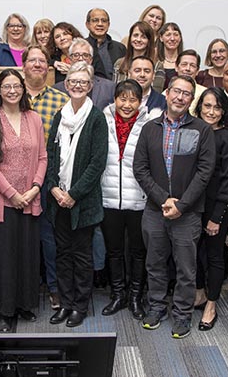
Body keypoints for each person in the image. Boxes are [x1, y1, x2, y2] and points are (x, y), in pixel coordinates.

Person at [133, 75, 215, 339]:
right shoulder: (149, 128)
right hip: (155, 211)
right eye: (176, 91)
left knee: (186, 269)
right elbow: (140, 168)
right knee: (155, 264)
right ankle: (156, 308)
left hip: (188, 213)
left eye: (187, 94)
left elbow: (205, 172)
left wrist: (182, 204)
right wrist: (162, 199)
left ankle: (181, 314)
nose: (180, 97)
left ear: (192, 99)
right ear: (166, 93)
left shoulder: (202, 130)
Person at [0, 69, 47, 334]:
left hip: (30, 198)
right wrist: (11, 193)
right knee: (4, 258)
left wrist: (34, 188)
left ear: (23, 88)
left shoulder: (34, 118)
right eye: (6, 86)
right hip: (2, 201)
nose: (12, 91)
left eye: (16, 86)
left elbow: (42, 157)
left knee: (28, 255)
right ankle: (5, 311)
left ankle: (25, 305)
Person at [45, 62, 108, 328]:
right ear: (67, 84)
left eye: (84, 82)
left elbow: (97, 163)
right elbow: (50, 155)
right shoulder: (60, 116)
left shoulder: (96, 118)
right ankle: (65, 303)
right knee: (62, 254)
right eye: (74, 81)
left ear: (91, 86)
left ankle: (79, 306)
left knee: (82, 257)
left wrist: (73, 194)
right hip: (58, 201)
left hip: (83, 202)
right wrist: (54, 188)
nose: (78, 85)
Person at [100, 80, 158, 320]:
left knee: (138, 251)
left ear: (140, 101)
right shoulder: (103, 121)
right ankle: (117, 294)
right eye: (122, 98)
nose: (126, 104)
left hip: (139, 199)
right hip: (109, 197)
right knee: (113, 250)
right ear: (115, 99)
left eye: (132, 99)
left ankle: (135, 296)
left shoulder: (150, 124)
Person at [23, 45, 69, 309]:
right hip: (16, 183)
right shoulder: (12, 96)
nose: (38, 64)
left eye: (42, 61)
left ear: (48, 68)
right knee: (22, 240)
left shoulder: (60, 100)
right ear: (24, 65)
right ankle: (25, 288)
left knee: (50, 240)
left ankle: (54, 288)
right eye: (33, 60)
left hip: (49, 181)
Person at [191, 87, 228, 332]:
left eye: (217, 107)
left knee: (214, 256)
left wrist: (217, 217)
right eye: (207, 106)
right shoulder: (193, 130)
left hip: (218, 206)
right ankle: (199, 293)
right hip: (193, 205)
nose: (211, 111)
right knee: (194, 253)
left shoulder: (227, 136)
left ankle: (211, 304)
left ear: (223, 111)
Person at [53, 38, 116, 109]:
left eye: (85, 55)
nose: (80, 58)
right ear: (70, 59)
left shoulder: (109, 87)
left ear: (91, 60)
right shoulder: (57, 89)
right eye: (76, 55)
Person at [113, 22, 160, 87]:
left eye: (143, 37)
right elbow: (114, 90)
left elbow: (156, 92)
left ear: (149, 41)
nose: (138, 39)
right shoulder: (119, 63)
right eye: (135, 35)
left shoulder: (157, 65)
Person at [85, 8, 125, 80]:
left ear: (108, 24)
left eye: (104, 21)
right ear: (87, 24)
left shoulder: (120, 48)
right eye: (95, 20)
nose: (100, 24)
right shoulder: (82, 47)